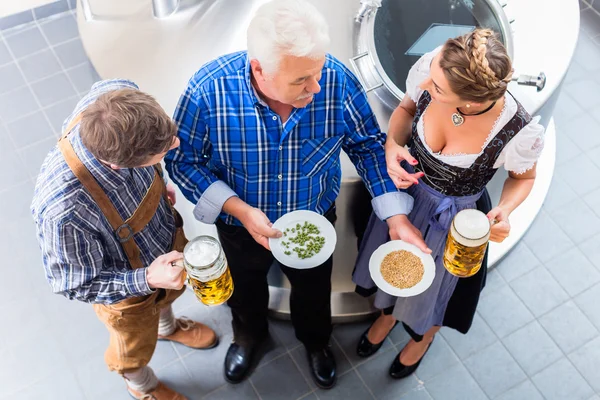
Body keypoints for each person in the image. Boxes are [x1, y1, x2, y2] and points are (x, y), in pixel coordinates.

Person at [164, 0, 428, 389]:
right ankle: (249, 337)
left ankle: (317, 343)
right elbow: (182, 162)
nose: (316, 87)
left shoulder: (336, 81)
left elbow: (369, 146)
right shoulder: (208, 91)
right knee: (244, 287)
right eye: (301, 80)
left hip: (315, 219)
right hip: (239, 225)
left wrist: (396, 217)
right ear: (259, 70)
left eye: (317, 72)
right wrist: (239, 209)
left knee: (312, 292)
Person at [352, 28, 545, 379]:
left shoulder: (518, 131)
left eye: (438, 90)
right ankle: (386, 316)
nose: (426, 86)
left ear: (469, 101)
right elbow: (406, 109)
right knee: (396, 267)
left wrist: (504, 210)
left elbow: (524, 178)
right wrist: (394, 146)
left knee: (442, 290)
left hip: (456, 219)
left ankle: (421, 339)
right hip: (406, 195)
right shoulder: (435, 69)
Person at [31, 80, 218, 400]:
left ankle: (167, 329)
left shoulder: (116, 92)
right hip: (129, 292)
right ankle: (141, 386)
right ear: (119, 165)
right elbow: (74, 284)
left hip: (164, 241)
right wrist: (148, 277)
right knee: (132, 348)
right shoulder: (65, 212)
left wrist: (157, 183)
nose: (176, 144)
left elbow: (154, 141)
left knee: (168, 299)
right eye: (164, 149)